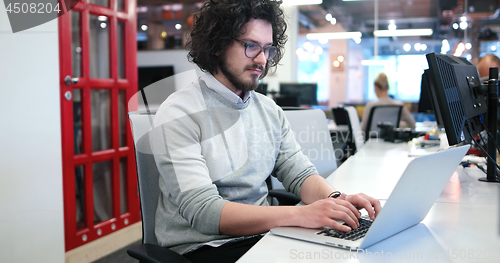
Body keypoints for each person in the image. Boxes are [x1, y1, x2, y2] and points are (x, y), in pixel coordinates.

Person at [150, 1, 381, 262]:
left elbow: (300, 173)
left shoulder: (268, 110)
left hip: (264, 236)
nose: (261, 59)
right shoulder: (179, 112)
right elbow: (205, 213)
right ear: (217, 45)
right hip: (204, 248)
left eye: (267, 49)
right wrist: (300, 215)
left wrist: (337, 200)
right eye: (250, 46)